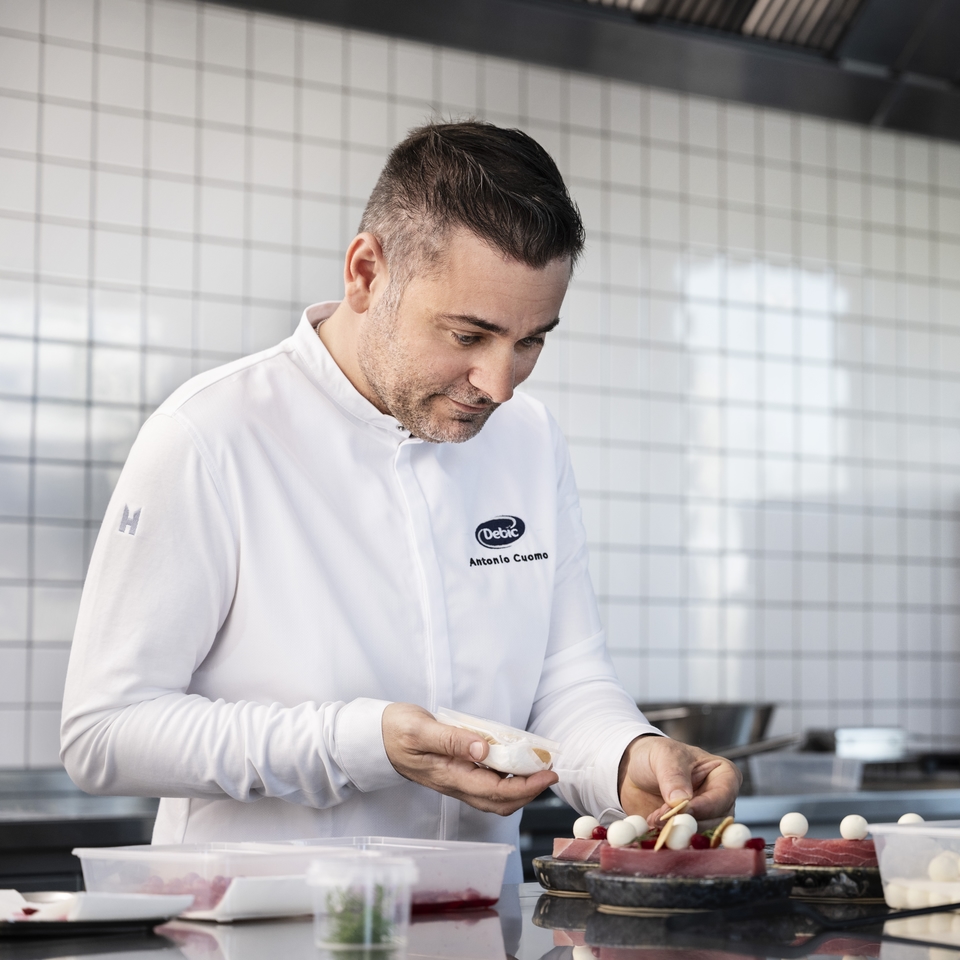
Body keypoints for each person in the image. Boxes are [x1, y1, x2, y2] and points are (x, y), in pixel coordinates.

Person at [61, 121, 739, 881]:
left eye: (531, 341)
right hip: (266, 935)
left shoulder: (529, 439)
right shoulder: (210, 435)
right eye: (468, 333)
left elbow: (566, 679)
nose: (499, 383)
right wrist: (365, 742)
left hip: (475, 931)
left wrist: (626, 755)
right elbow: (105, 732)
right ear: (365, 272)